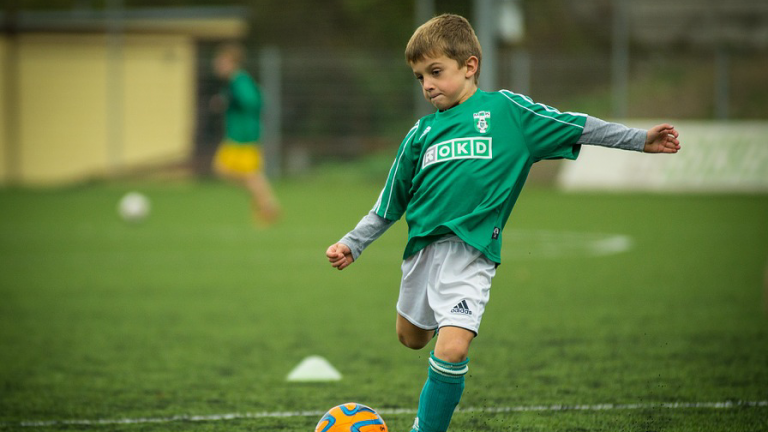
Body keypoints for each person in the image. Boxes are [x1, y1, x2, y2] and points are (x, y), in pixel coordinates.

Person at [325, 14, 680, 432]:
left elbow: (578, 125)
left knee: (452, 350)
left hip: (471, 255)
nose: (427, 85)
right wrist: (354, 243)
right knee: (411, 337)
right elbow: (389, 203)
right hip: (421, 253)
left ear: (470, 66)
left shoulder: (507, 112)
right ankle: (438, 322)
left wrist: (639, 140)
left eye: (436, 72)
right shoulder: (419, 134)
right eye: (420, 77)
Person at [211, 43, 280, 225]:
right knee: (225, 170)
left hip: (244, 136)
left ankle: (267, 206)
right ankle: (264, 202)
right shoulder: (234, 82)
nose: (218, 65)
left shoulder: (239, 80)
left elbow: (254, 101)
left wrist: (231, 100)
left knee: (250, 175)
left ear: (232, 63)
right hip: (236, 135)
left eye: (222, 62)